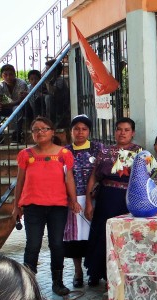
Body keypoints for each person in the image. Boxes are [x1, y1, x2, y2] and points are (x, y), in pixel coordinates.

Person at [12, 116, 81, 296]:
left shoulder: (64, 154)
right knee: (33, 245)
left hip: (58, 206)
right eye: (36, 130)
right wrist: (16, 206)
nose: (40, 132)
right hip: (33, 207)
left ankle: (57, 283)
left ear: (52, 132)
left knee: (57, 244)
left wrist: (73, 201)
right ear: (32, 134)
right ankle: (28, 285)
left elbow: (69, 178)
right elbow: (20, 182)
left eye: (44, 129)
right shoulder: (25, 155)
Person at [85, 117, 142, 287]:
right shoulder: (104, 152)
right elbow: (94, 177)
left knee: (124, 236)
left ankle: (125, 274)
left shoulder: (139, 152)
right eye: (119, 129)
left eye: (126, 130)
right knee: (102, 234)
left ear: (132, 133)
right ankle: (96, 272)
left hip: (127, 201)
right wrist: (88, 202)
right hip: (105, 199)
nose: (122, 133)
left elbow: (144, 179)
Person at [63, 115, 103, 288]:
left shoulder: (98, 148)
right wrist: (71, 199)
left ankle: (94, 272)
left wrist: (91, 198)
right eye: (76, 129)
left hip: (93, 199)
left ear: (89, 131)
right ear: (71, 131)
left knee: (93, 236)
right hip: (71, 201)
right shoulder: (64, 151)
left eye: (84, 129)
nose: (80, 132)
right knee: (74, 238)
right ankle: (78, 272)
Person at [0, 64, 29, 144]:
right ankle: (0, 136)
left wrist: (4, 104)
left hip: (22, 108)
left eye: (11, 74)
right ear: (2, 76)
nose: (8, 77)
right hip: (8, 108)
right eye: (5, 75)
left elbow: (20, 102)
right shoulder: (0, 85)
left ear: (14, 74)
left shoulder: (21, 83)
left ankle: (17, 136)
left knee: (16, 108)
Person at [44, 59, 70, 129]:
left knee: (48, 98)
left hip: (61, 108)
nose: (46, 72)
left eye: (48, 69)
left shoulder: (60, 80)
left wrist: (46, 81)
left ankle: (50, 122)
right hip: (54, 105)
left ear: (56, 71)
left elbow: (52, 92)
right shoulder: (52, 80)